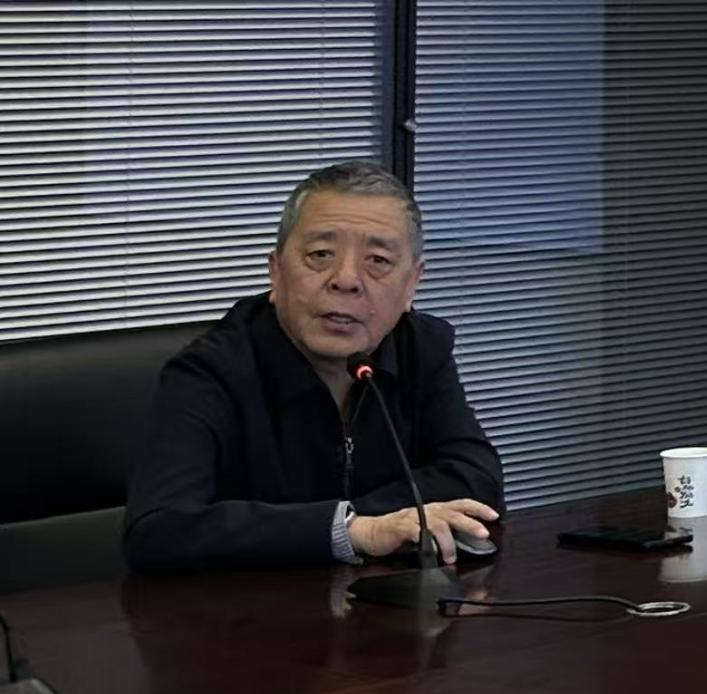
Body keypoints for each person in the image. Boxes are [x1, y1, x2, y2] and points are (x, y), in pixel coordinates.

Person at [124, 161, 504, 572]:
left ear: (413, 283)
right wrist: (354, 530)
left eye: (377, 261)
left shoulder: (421, 348)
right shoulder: (209, 372)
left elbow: (476, 481)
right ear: (275, 271)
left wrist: (362, 523)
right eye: (320, 255)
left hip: (378, 600)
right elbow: (160, 529)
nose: (346, 280)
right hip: (249, 608)